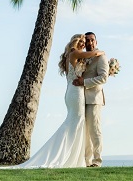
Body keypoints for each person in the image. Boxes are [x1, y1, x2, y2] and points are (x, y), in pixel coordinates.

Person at [19, 34, 104, 168]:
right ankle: (64, 155)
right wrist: (101, 52)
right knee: (75, 123)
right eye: (81, 41)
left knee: (75, 124)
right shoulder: (74, 53)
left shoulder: (71, 55)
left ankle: (75, 157)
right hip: (76, 93)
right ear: (74, 42)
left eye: (85, 41)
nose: (83, 44)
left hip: (73, 91)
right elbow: (93, 54)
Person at [72, 31, 109, 167]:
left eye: (92, 40)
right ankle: (86, 161)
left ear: (96, 42)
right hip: (81, 99)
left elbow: (103, 77)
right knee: (85, 131)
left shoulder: (101, 57)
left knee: (94, 130)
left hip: (94, 99)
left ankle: (97, 161)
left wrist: (84, 82)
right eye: (87, 40)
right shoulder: (83, 56)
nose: (89, 42)